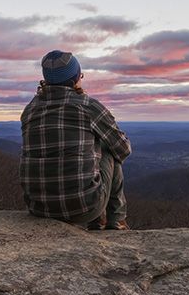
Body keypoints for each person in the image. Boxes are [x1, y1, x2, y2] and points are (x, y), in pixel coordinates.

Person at [20, 50, 131, 229]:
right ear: (75, 80)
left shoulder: (30, 109)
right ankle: (116, 221)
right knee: (109, 147)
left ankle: (101, 221)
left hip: (38, 207)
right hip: (84, 209)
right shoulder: (88, 106)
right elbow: (123, 149)